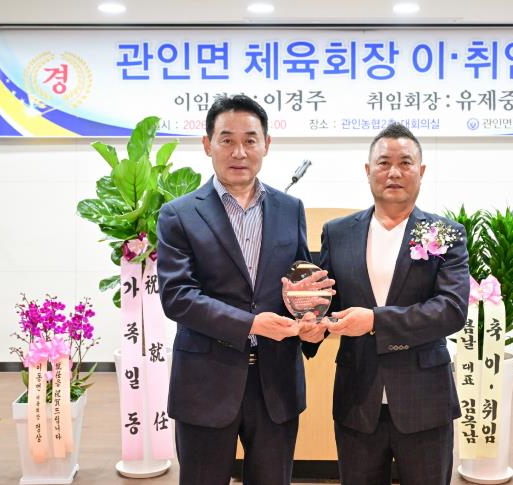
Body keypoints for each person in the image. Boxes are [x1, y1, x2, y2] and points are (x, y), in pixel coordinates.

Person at [156, 94, 327, 485]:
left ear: (266, 144)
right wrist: (251, 323)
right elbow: (178, 297)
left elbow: (299, 284)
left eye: (250, 140)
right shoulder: (178, 214)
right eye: (226, 139)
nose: (239, 152)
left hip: (276, 383)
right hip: (205, 381)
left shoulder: (290, 209)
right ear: (207, 144)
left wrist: (311, 321)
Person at [319, 123, 470, 485]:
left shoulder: (445, 233)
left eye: (405, 162)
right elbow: (328, 301)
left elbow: (451, 310)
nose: (394, 172)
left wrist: (375, 320)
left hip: (425, 399)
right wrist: (309, 320)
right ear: (368, 170)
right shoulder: (337, 233)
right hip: (357, 397)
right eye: (384, 163)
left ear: (421, 170)